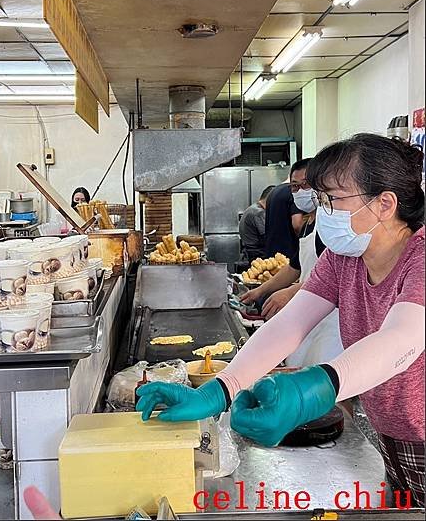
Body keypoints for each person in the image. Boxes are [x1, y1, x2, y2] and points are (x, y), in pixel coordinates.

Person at [137, 134, 425, 507]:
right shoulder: (345, 259)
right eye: (320, 200)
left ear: (385, 203)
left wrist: (319, 385)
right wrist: (223, 387)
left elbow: (404, 337)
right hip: (391, 432)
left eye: (333, 199)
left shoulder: (419, 259)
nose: (322, 212)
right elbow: (290, 323)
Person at [241, 160, 343, 367]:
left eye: (306, 185)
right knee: (298, 365)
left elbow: (334, 279)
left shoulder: (329, 226)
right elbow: (294, 268)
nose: (300, 191)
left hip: (329, 317)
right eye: (295, 186)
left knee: (322, 372)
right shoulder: (308, 224)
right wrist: (260, 291)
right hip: (307, 312)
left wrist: (290, 293)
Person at [264, 159, 309, 260]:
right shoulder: (295, 194)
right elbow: (297, 225)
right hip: (288, 255)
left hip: (272, 253)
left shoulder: (274, 191)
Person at [239, 185, 274, 262]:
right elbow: (268, 237)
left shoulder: (253, 208)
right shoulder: (259, 212)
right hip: (257, 254)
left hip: (250, 252)